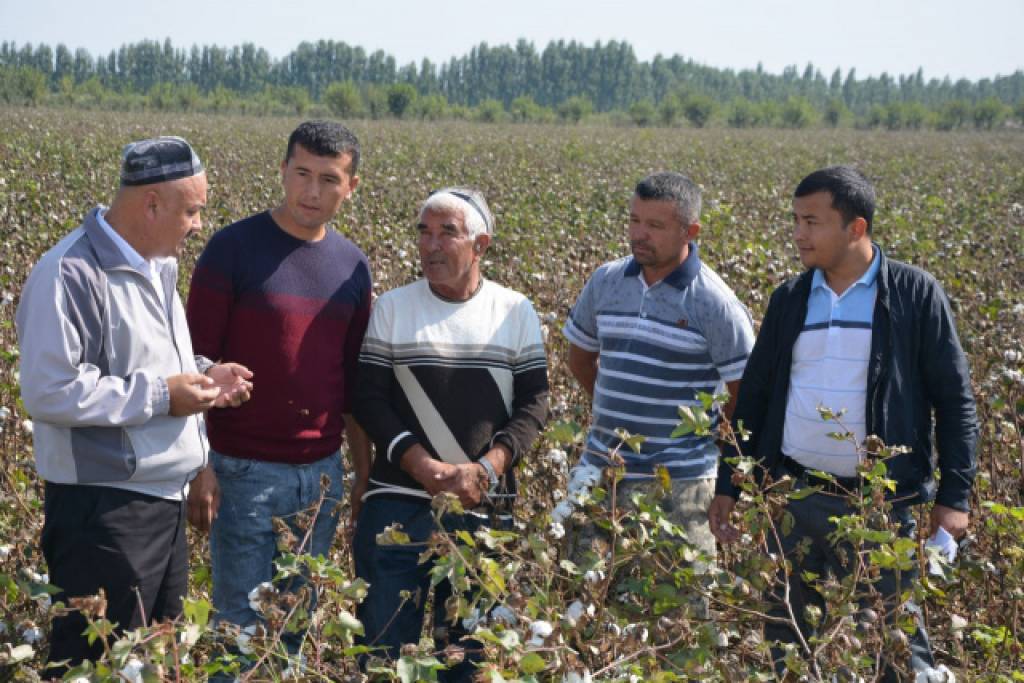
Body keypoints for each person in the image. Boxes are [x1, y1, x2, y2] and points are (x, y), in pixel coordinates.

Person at [709, 166, 977, 679]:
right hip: (794, 499)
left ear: (856, 228)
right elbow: (756, 398)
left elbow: (956, 401)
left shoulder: (915, 295)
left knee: (893, 645)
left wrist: (954, 497)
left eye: (812, 221)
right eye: (795, 220)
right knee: (785, 639)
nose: (798, 234)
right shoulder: (790, 299)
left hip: (879, 507)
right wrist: (732, 482)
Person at [15, 136, 252, 673]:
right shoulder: (68, 273)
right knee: (97, 661)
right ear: (151, 204)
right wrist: (165, 394)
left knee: (152, 659)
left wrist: (203, 375)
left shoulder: (156, 265)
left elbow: (151, 357)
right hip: (104, 511)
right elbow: (49, 390)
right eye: (191, 211)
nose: (197, 226)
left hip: (159, 503)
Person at [184, 121, 372, 667]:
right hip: (241, 470)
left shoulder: (352, 267)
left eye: (329, 179)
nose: (312, 192)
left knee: (294, 626)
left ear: (350, 187)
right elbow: (190, 364)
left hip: (320, 475)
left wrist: (358, 473)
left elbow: (352, 382)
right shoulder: (233, 249)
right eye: (302, 174)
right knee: (238, 633)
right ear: (283, 171)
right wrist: (200, 465)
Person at [352, 187, 549, 680]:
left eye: (447, 233)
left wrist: (488, 468)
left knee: (468, 658)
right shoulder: (393, 308)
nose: (431, 246)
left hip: (481, 507)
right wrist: (422, 465)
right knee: (382, 653)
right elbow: (369, 400)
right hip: (397, 505)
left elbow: (534, 405)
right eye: (424, 232)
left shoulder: (514, 311)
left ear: (480, 245)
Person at [562, 171, 754, 567]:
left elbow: (744, 395)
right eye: (634, 221)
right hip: (601, 474)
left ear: (690, 231)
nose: (639, 234)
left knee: (683, 611)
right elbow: (579, 358)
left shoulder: (715, 303)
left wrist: (711, 452)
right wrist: (621, 413)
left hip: (680, 485)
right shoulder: (606, 281)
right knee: (583, 605)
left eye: (655, 225)